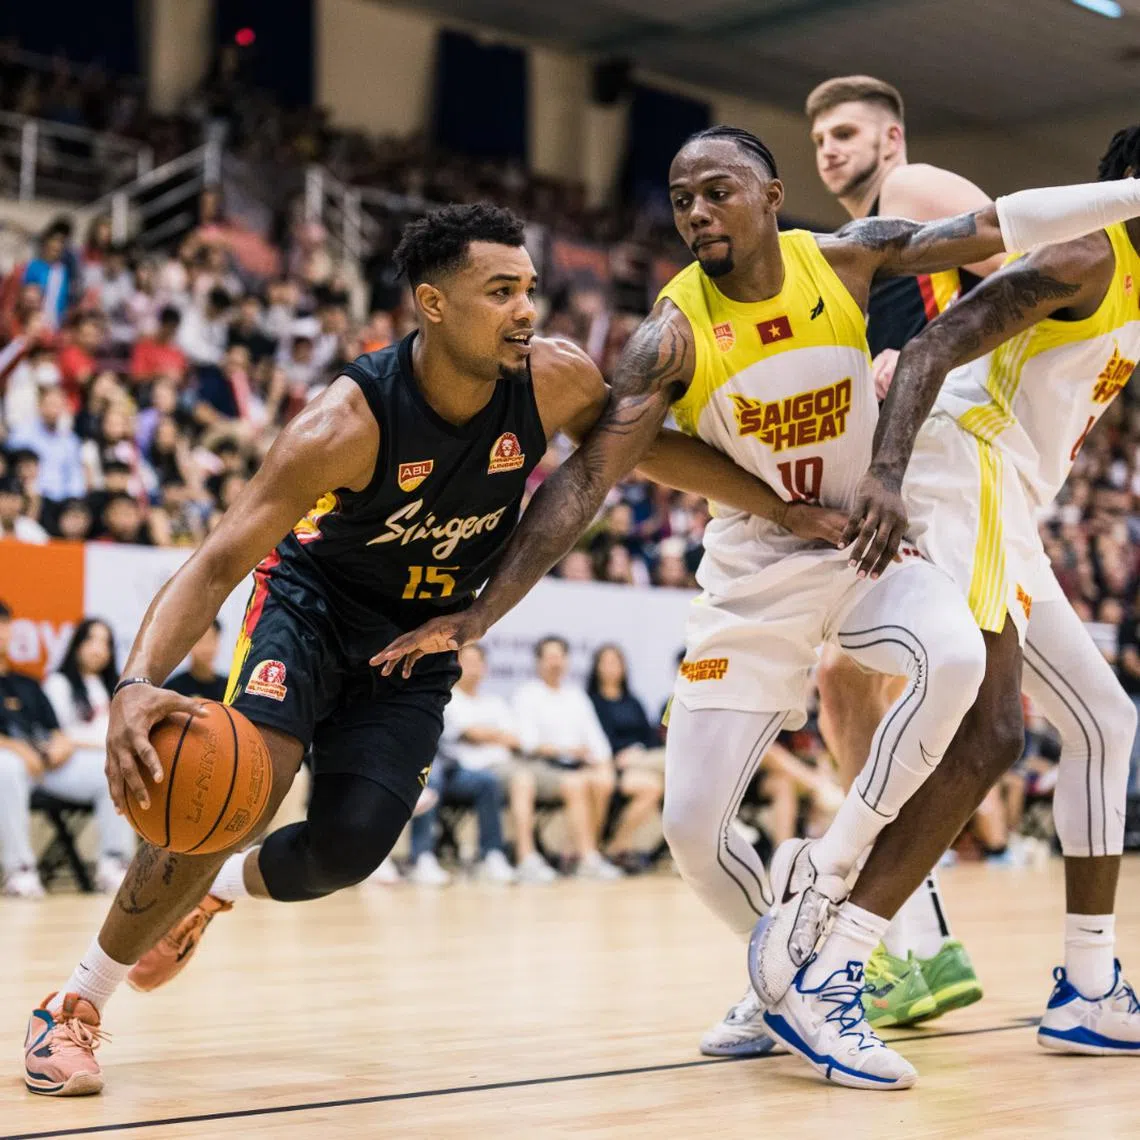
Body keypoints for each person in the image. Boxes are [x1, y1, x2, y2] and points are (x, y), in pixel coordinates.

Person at [22, 202, 843, 1097]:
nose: (527, 309)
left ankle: (217, 887)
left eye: (530, 288)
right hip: (313, 609)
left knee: (347, 849)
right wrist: (138, 680)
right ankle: (72, 1004)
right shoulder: (346, 421)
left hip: (421, 637)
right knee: (236, 785)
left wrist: (783, 507)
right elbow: (221, 555)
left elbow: (640, 450)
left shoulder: (555, 379)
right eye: (501, 292)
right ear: (433, 304)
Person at [375, 128, 1140, 1087]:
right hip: (758, 570)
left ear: (771, 196)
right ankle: (775, 974)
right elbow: (591, 476)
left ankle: (826, 910)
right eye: (682, 197)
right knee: (693, 829)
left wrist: (1127, 194)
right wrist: (483, 612)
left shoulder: (847, 258)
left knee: (959, 662)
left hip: (859, 547)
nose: (697, 211)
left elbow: (994, 223)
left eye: (717, 191)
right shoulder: (671, 333)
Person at [776, 124, 1140, 1081]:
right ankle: (833, 967)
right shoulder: (1087, 252)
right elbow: (935, 339)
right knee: (991, 735)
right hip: (960, 464)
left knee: (1103, 721)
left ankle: (1090, 986)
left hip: (1010, 496)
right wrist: (888, 474)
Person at [805, 74, 1001, 1028]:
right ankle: (912, 930)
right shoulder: (854, 244)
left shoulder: (913, 189)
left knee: (861, 674)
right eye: (817, 141)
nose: (828, 151)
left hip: (946, 467)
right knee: (849, 683)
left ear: (890, 137)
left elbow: (1031, 270)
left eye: (845, 132)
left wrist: (936, 356)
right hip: (899, 468)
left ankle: (883, 926)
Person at [408, 642, 524, 886]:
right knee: (429, 781)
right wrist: (492, 736)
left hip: (462, 773)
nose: (472, 668)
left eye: (477, 662)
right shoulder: (444, 697)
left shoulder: (493, 702)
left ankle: (491, 855)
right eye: (466, 661)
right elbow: (467, 732)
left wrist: (485, 736)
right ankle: (422, 858)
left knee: (487, 783)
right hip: (436, 768)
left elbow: (514, 738)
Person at [511, 637, 622, 880]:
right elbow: (528, 743)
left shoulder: (576, 696)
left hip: (576, 766)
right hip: (540, 766)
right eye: (549, 657)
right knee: (576, 783)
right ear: (539, 662)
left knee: (603, 781)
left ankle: (587, 852)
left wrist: (603, 764)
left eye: (560, 657)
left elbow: (596, 739)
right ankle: (586, 856)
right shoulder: (527, 695)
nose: (555, 663)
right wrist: (566, 750)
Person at [42, 620, 137, 893]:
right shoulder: (58, 683)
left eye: (105, 643)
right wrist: (103, 746)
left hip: (101, 762)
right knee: (111, 770)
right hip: (65, 768)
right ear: (77, 645)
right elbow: (57, 738)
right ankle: (112, 863)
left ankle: (130, 863)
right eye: (91, 640)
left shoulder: (112, 688)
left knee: (123, 767)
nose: (98, 649)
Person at [0, 602, 77, 897]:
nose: (1, 633)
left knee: (101, 770)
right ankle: (19, 869)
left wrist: (60, 745)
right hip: (11, 765)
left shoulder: (27, 683)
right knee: (7, 767)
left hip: (42, 766)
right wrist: (17, 748)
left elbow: (56, 730)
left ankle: (115, 862)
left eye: (5, 624)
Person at [586, 643, 665, 871]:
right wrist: (623, 754)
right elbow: (598, 739)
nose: (612, 667)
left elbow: (650, 736)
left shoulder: (633, 701)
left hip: (642, 761)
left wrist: (638, 750)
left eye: (616, 662)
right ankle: (615, 846)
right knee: (656, 784)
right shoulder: (592, 702)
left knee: (659, 778)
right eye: (606, 662)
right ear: (597, 667)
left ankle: (615, 847)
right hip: (614, 764)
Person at [164, 621, 228, 703]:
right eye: (199, 641)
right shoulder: (173, 689)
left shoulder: (229, 688)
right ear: (188, 645)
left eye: (211, 640)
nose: (206, 648)